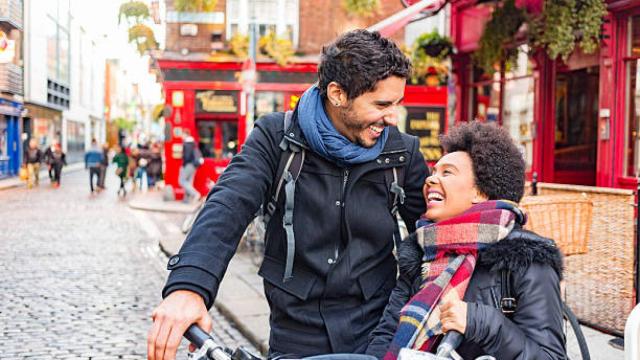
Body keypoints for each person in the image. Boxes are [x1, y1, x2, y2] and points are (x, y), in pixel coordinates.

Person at [147, 29, 428, 360]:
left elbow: (435, 233)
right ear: (337, 94)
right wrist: (189, 286)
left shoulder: (402, 152)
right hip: (295, 334)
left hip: (377, 330)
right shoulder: (276, 137)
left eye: (397, 103)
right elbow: (228, 204)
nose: (393, 117)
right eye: (382, 104)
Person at [366, 122, 565, 360]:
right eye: (433, 172)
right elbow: (388, 331)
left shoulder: (526, 258)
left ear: (480, 192)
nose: (430, 181)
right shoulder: (421, 251)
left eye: (446, 172)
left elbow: (550, 356)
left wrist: (479, 322)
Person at [178, 130, 201, 203]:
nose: (181, 136)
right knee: (189, 182)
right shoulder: (193, 143)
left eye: (182, 134)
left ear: (185, 134)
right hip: (195, 165)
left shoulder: (187, 144)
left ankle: (195, 194)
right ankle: (186, 200)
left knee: (181, 181)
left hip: (189, 164)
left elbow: (187, 157)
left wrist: (184, 165)